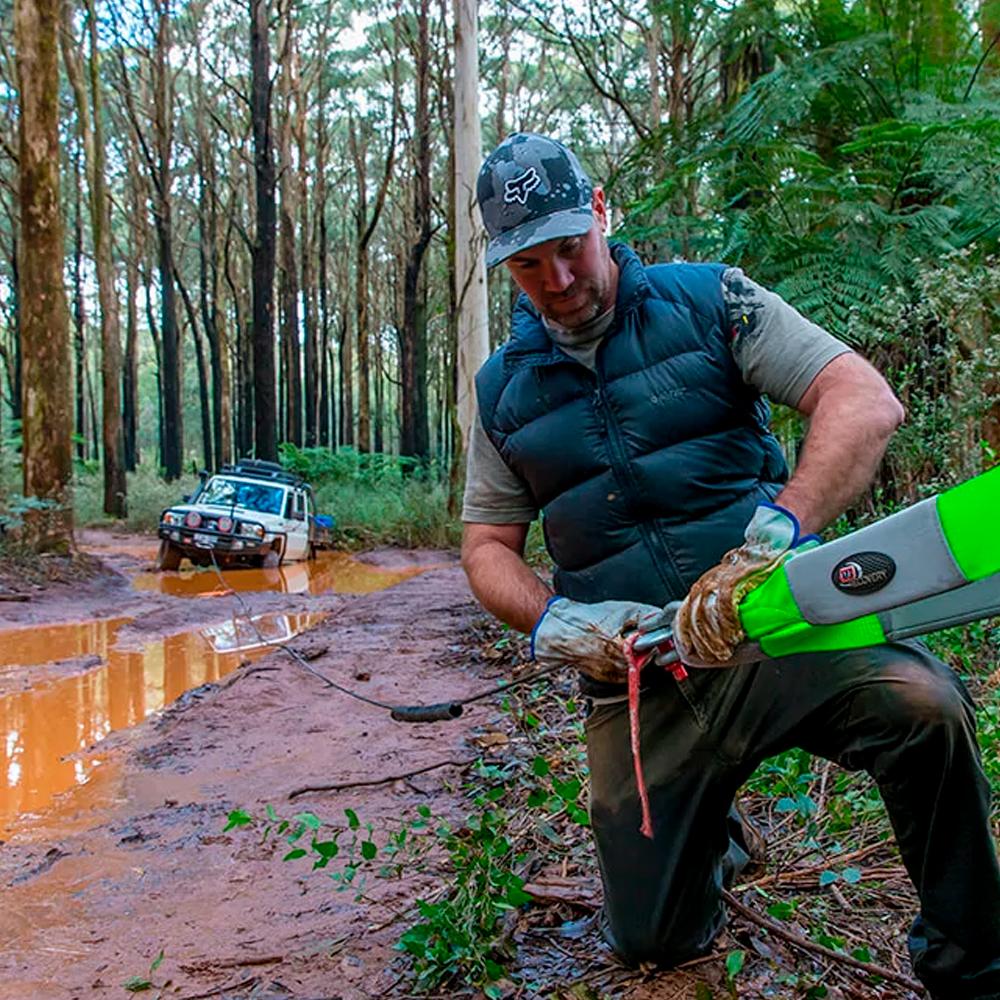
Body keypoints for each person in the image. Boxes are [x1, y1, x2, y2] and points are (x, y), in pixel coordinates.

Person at [460, 132, 1000, 1000]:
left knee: (925, 709)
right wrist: (556, 621)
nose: (559, 280)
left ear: (603, 213)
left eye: (570, 247)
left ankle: (970, 966)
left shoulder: (712, 301)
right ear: (504, 267)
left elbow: (862, 400)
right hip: (644, 677)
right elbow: (486, 548)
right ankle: (712, 826)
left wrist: (777, 535)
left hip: (774, 625)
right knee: (654, 940)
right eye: (529, 265)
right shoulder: (502, 391)